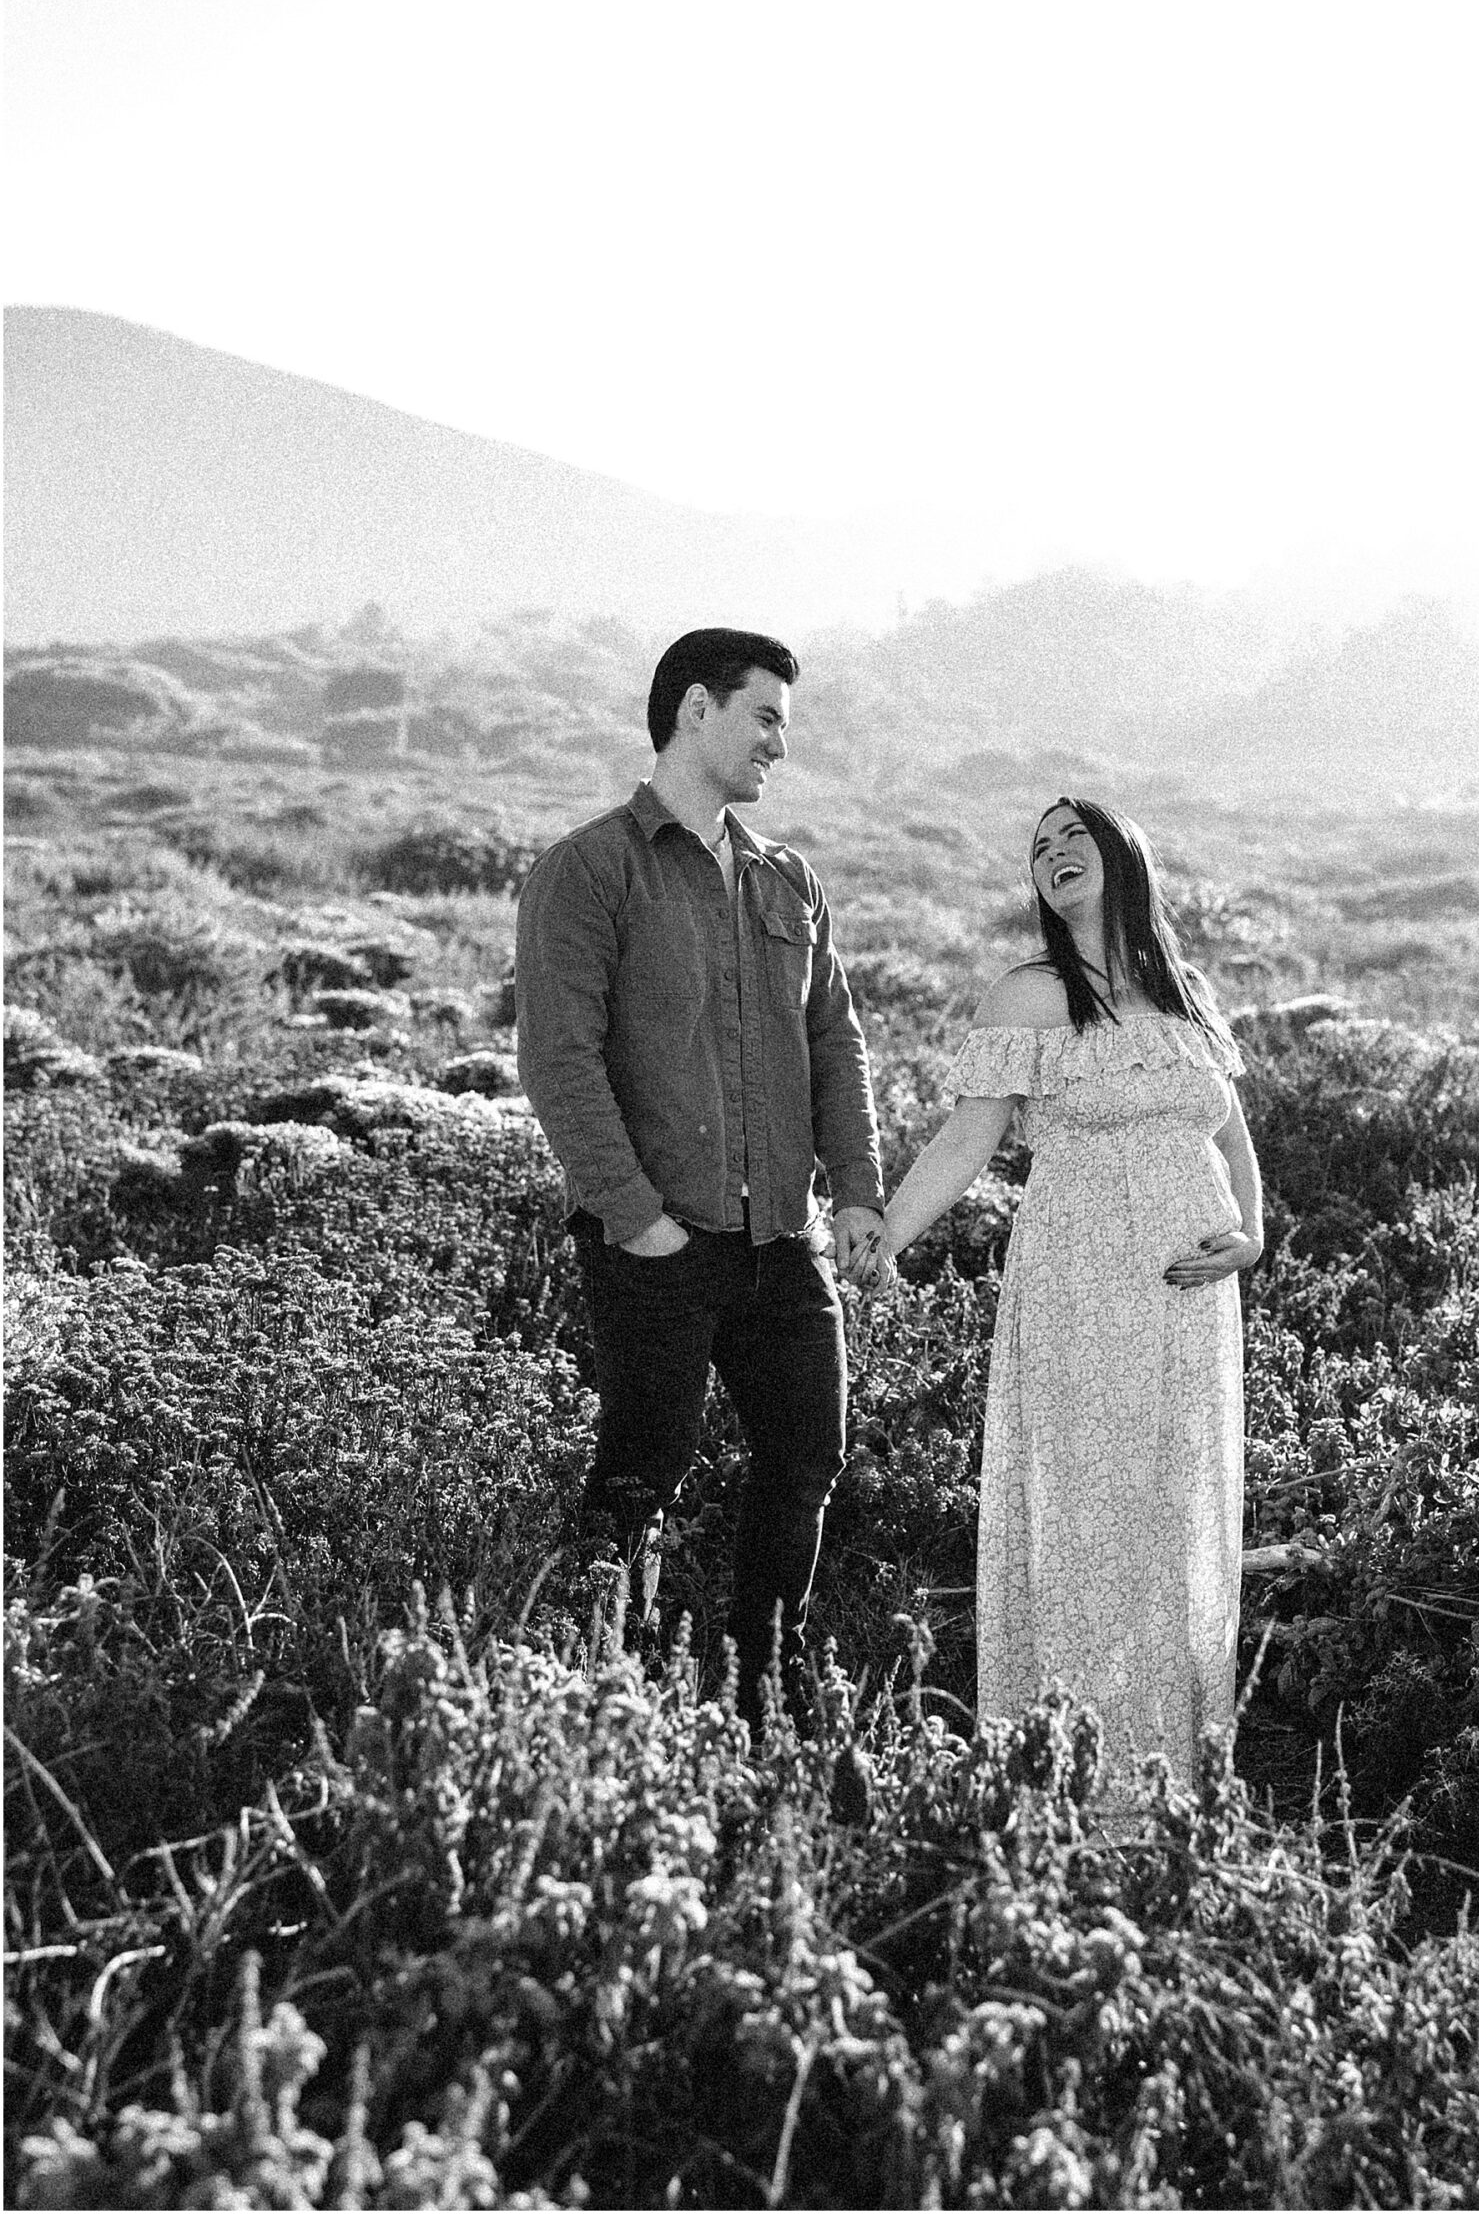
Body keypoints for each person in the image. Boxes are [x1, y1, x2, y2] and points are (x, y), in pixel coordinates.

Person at [853, 796, 1262, 1809]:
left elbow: (1233, 1134)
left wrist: (1249, 1235)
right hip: (1082, 1278)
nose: (1051, 854)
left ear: (1124, 854)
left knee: (1176, 1512)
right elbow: (967, 1137)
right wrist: (882, 1238)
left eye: (1072, 836)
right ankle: (1075, 1779)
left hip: (1193, 1303)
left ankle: (1172, 1776)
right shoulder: (1027, 994)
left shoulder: (1187, 991)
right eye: (1037, 848)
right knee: (1085, 1509)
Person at [514, 627, 886, 1730]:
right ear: (692, 710)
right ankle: (600, 1711)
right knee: (640, 1476)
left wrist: (856, 1191)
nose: (779, 742)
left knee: (804, 1462)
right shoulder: (588, 869)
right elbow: (557, 1060)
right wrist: (635, 1223)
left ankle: (753, 1707)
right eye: (764, 715)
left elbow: (836, 1042)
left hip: (783, 1239)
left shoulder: (789, 879)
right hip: (656, 1247)